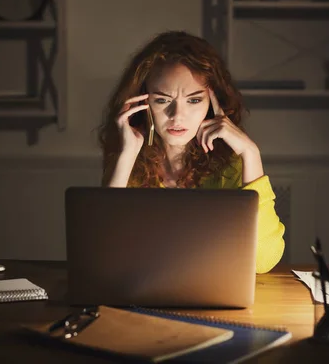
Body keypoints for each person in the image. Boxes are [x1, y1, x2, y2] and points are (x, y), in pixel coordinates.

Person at [97, 30, 285, 274]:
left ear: (212, 103)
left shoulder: (229, 166)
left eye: (194, 100)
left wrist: (251, 153)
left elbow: (263, 260)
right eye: (163, 100)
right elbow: (102, 252)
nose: (177, 116)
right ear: (143, 103)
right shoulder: (130, 161)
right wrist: (126, 156)